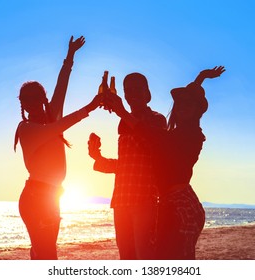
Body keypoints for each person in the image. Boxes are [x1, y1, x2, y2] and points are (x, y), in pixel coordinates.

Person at [105, 66, 225, 259]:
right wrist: (200, 78)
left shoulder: (188, 135)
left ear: (198, 111)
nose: (182, 107)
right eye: (179, 104)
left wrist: (120, 111)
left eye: (189, 105)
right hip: (172, 203)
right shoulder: (177, 132)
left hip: (179, 205)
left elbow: (149, 134)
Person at [14, 36, 101, 260]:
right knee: (47, 255)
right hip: (36, 198)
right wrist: (91, 106)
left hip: (51, 196)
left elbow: (62, 85)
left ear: (43, 98)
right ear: (22, 104)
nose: (31, 104)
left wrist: (70, 55)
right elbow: (61, 126)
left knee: (42, 254)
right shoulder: (27, 129)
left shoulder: (52, 115)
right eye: (26, 101)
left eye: (36, 98)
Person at [88, 73, 167, 259]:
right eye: (127, 90)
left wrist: (121, 112)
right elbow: (126, 165)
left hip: (145, 199)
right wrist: (96, 156)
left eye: (136, 88)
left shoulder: (157, 120)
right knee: (127, 258)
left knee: (145, 256)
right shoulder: (124, 121)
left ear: (147, 93)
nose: (132, 93)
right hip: (121, 199)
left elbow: (154, 149)